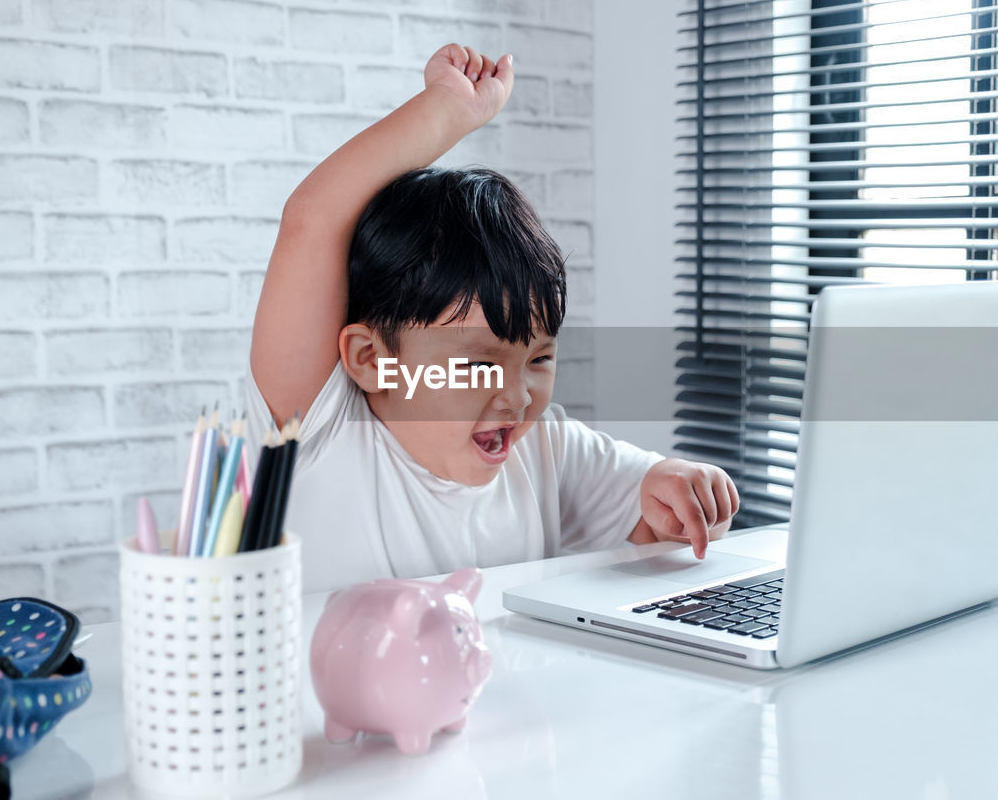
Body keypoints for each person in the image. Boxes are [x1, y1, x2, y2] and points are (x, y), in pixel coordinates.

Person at [246, 43, 739, 593]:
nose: (517, 396)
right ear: (371, 359)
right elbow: (313, 219)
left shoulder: (543, 445)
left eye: (540, 358)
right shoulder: (323, 427)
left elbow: (649, 519)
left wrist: (677, 490)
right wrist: (449, 110)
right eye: (481, 363)